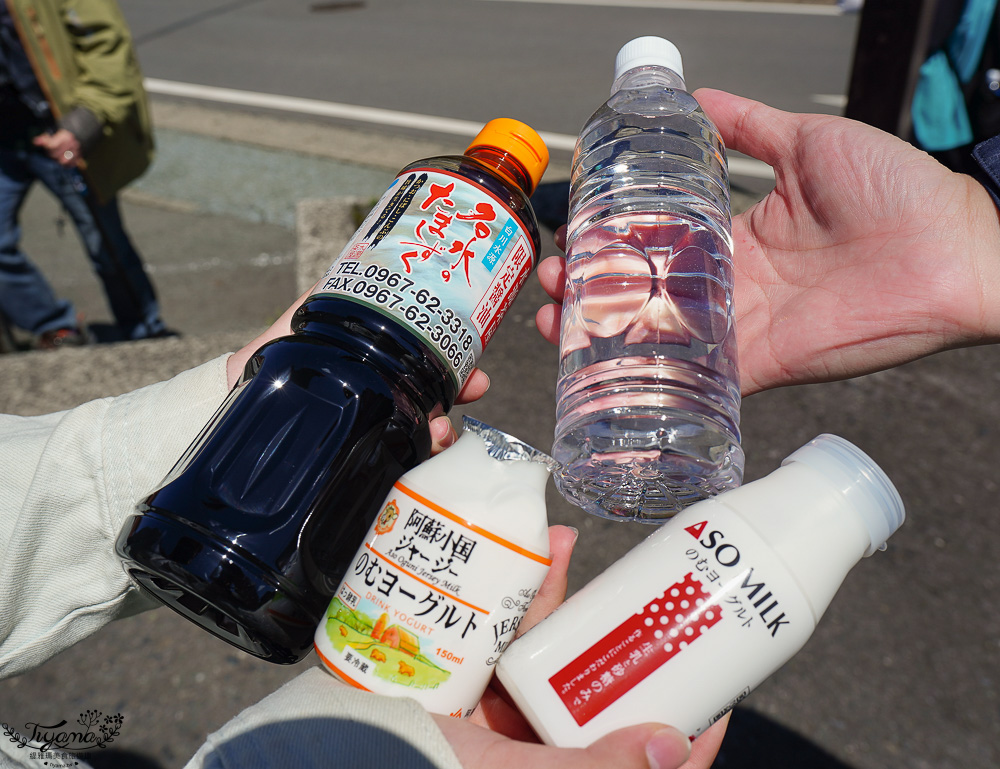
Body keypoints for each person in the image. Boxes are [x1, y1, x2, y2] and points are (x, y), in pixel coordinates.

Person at [4, 88, 999, 769]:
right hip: (343, 366)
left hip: (350, 378)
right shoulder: (463, 195)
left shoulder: (496, 217)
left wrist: (967, 235)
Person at [0, 0, 168, 349]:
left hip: (57, 131)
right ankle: (54, 325)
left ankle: (147, 336)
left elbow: (107, 48)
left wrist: (83, 124)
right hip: (5, 136)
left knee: (105, 245)